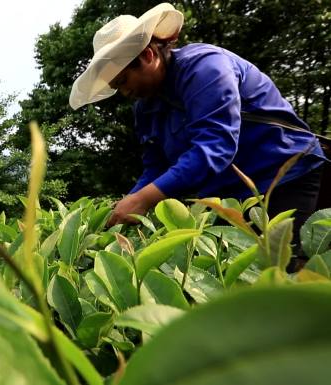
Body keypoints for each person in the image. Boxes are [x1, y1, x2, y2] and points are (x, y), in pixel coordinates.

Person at [70, 3, 327, 259]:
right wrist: (130, 200)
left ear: (148, 55)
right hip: (229, 198)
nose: (125, 92)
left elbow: (216, 146)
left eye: (124, 80)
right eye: (117, 86)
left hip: (285, 175)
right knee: (232, 272)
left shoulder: (205, 68)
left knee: (283, 266)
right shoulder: (145, 108)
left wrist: (144, 199)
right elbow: (155, 166)